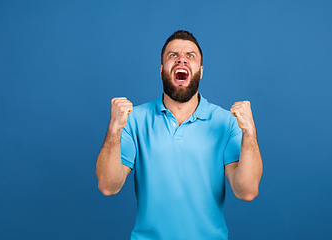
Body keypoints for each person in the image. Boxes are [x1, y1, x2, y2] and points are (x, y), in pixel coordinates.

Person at [96, 30, 263, 240]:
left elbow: (246, 191)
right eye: (172, 55)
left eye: (190, 56)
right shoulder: (133, 120)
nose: (181, 59)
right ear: (161, 70)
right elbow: (108, 186)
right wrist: (114, 129)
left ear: (200, 72)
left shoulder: (226, 122)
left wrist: (249, 132)